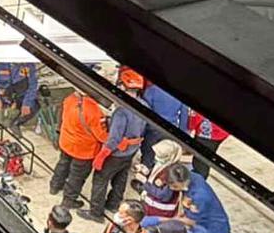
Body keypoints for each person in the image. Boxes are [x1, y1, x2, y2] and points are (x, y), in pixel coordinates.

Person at [81, 71, 146, 221]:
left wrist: (102, 155)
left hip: (115, 153)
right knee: (120, 178)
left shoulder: (122, 111)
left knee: (100, 179)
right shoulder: (144, 106)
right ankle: (113, 204)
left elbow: (114, 139)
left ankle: (95, 213)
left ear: (123, 86)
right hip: (130, 152)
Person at [49, 89, 107, 210]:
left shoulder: (69, 99)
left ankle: (54, 186)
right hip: (84, 150)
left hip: (66, 142)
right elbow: (101, 136)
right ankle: (69, 200)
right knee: (77, 175)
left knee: (63, 164)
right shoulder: (94, 110)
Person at [140, 81, 188, 168]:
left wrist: (141, 131)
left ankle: (144, 174)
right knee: (164, 159)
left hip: (153, 129)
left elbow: (145, 111)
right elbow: (184, 115)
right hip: (170, 130)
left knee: (147, 156)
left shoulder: (152, 90)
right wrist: (182, 133)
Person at [180, 168, 231, 233]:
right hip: (208, 226)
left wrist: (169, 219)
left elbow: (192, 221)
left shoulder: (200, 197)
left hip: (213, 231)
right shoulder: (194, 177)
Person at [0, 61, 38, 131]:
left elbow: (33, 86)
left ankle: (16, 124)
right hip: (3, 94)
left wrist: (27, 103)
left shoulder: (29, 66)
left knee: (33, 107)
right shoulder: (0, 64)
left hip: (20, 96)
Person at [137, 142, 184, 220]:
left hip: (158, 212)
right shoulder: (164, 164)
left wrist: (145, 182)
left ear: (168, 156)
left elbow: (164, 196)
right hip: (150, 206)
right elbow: (155, 175)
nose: (156, 157)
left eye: (160, 155)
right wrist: (146, 171)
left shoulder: (173, 174)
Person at [189, 110, 228, 179]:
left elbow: (197, 116)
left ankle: (199, 179)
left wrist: (190, 127)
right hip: (220, 132)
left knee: (201, 160)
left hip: (207, 133)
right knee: (206, 157)